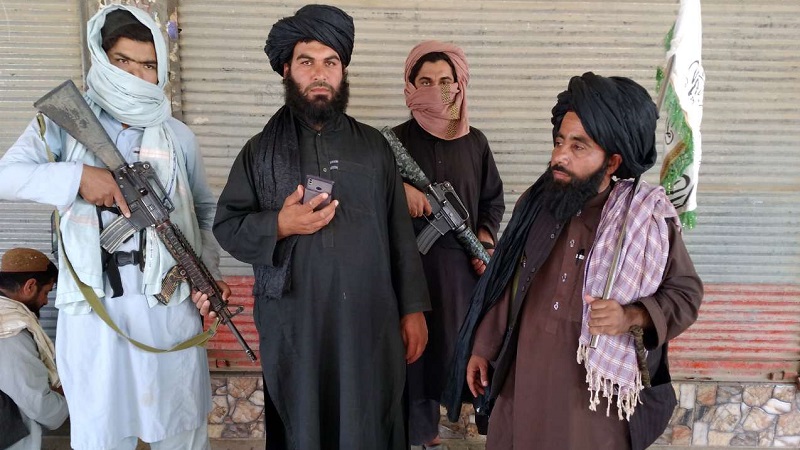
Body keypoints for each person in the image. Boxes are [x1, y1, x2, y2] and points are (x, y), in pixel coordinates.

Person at [197, 5, 431, 450]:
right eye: (307, 62)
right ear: (287, 69)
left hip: (368, 323)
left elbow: (401, 236)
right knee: (304, 426)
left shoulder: (374, 148)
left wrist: (413, 310)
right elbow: (228, 226)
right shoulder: (260, 152)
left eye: (331, 62)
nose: (320, 74)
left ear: (343, 71)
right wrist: (279, 224)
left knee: (368, 422)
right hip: (296, 327)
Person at [0, 5, 227, 449]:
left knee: (179, 427)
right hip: (95, 312)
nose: (136, 75)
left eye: (148, 65)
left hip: (167, 309)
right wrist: (78, 178)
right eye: (123, 61)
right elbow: (6, 175)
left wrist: (208, 273)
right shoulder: (62, 126)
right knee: (103, 432)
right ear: (102, 59)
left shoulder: (178, 136)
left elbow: (203, 212)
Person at [442, 72, 704, 450]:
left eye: (578, 146)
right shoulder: (537, 203)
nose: (560, 156)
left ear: (612, 161)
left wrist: (631, 316)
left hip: (592, 403)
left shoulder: (643, 219)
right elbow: (507, 280)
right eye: (559, 141)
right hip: (523, 381)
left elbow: (685, 294)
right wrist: (483, 346)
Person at [391, 41, 504, 449]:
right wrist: (399, 191)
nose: (436, 90)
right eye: (425, 81)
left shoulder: (476, 143)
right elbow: (369, 197)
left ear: (459, 85)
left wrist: (485, 242)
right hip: (410, 272)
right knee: (415, 358)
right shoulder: (393, 142)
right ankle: (425, 435)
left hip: (461, 276)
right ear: (410, 85)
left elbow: (492, 201)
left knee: (465, 351)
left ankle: (488, 426)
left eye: (444, 81)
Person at [0, 248, 68, 450]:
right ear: (30, 286)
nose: (46, 301)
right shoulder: (10, 329)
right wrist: (70, 402)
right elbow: (36, 402)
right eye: (46, 292)